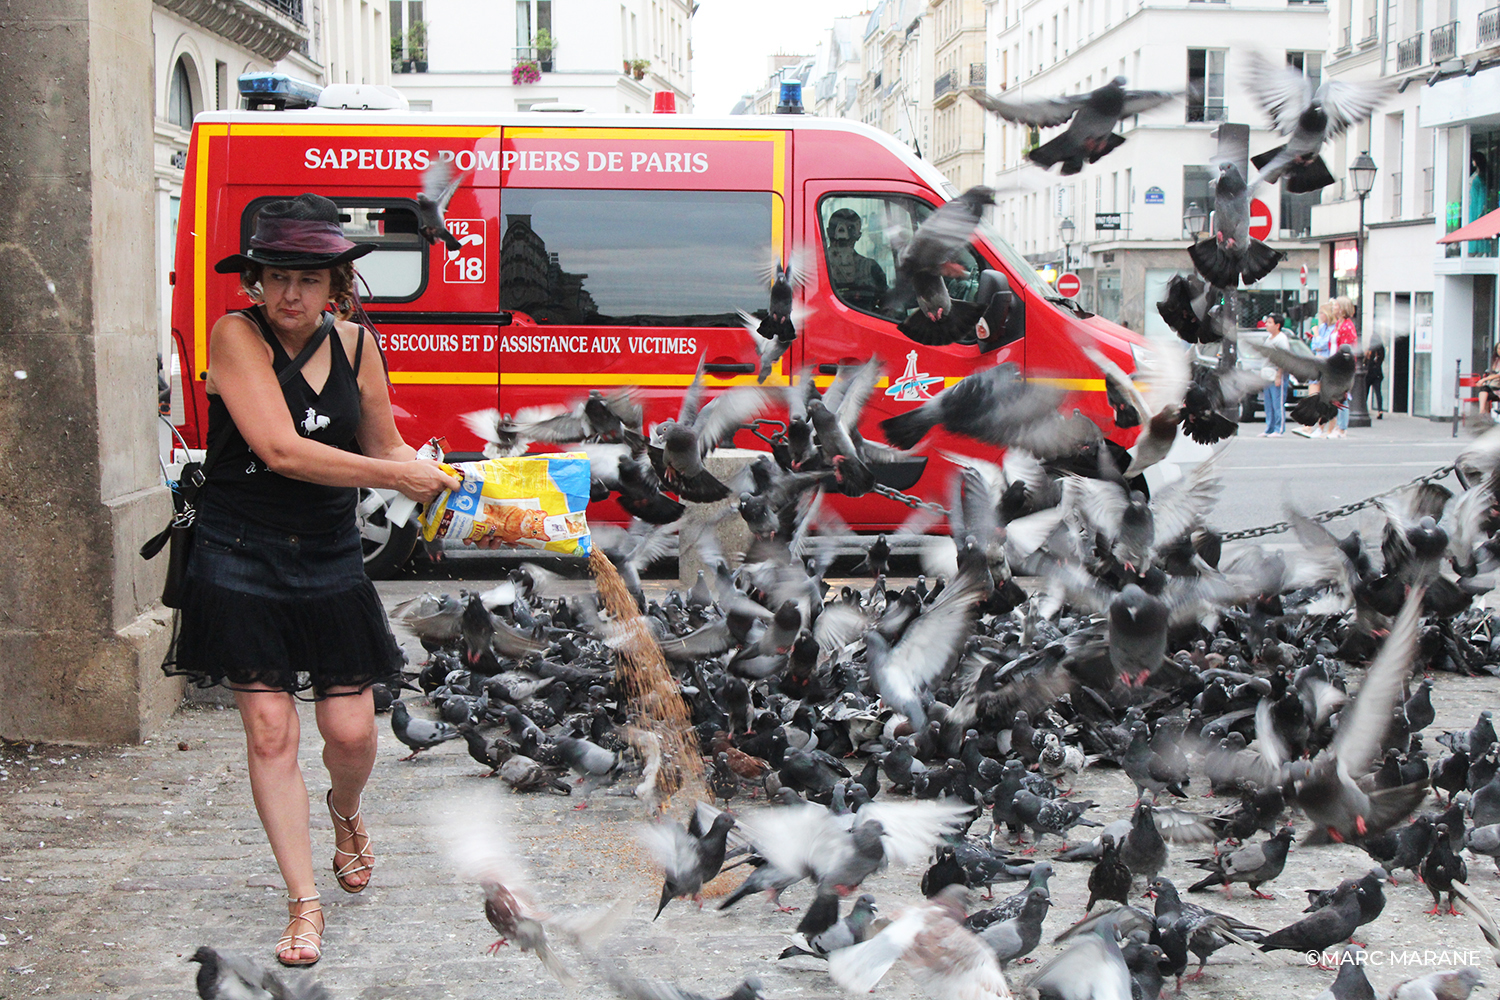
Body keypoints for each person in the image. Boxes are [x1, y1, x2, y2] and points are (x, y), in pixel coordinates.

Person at [163, 194, 461, 967]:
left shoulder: (360, 347)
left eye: (308, 278)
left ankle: (346, 810)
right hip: (240, 548)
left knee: (352, 734)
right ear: (254, 282)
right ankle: (304, 904)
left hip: (329, 552)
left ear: (338, 284)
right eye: (274, 277)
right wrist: (399, 475)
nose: (290, 295)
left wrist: (436, 474)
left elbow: (385, 440)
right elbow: (282, 449)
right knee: (271, 732)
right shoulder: (235, 335)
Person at [1329, 296, 1359, 439]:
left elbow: (1346, 350)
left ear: (1341, 308)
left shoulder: (1347, 326)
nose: (1333, 307)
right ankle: (1339, 425)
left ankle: (1342, 428)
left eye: (1335, 305)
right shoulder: (1339, 324)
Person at [1259, 313, 1290, 437]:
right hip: (1267, 374)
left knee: (1277, 402)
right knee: (1268, 403)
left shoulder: (1281, 339)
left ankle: (1279, 428)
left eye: (1270, 322)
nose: (1266, 325)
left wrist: (1279, 375)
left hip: (1276, 374)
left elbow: (1283, 359)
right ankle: (1269, 427)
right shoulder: (1269, 338)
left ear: (1277, 325)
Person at [1476, 345, 1500, 420]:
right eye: (1499, 348)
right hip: (1494, 387)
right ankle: (1482, 412)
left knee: (1485, 388)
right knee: (1484, 389)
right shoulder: (1496, 361)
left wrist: (1484, 379)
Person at [1365, 339, 1386, 418]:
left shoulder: (1371, 351)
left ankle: (1364, 409)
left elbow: (1367, 362)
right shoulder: (1381, 351)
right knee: (1378, 393)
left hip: (1369, 374)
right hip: (1378, 374)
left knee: (1365, 393)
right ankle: (1380, 410)